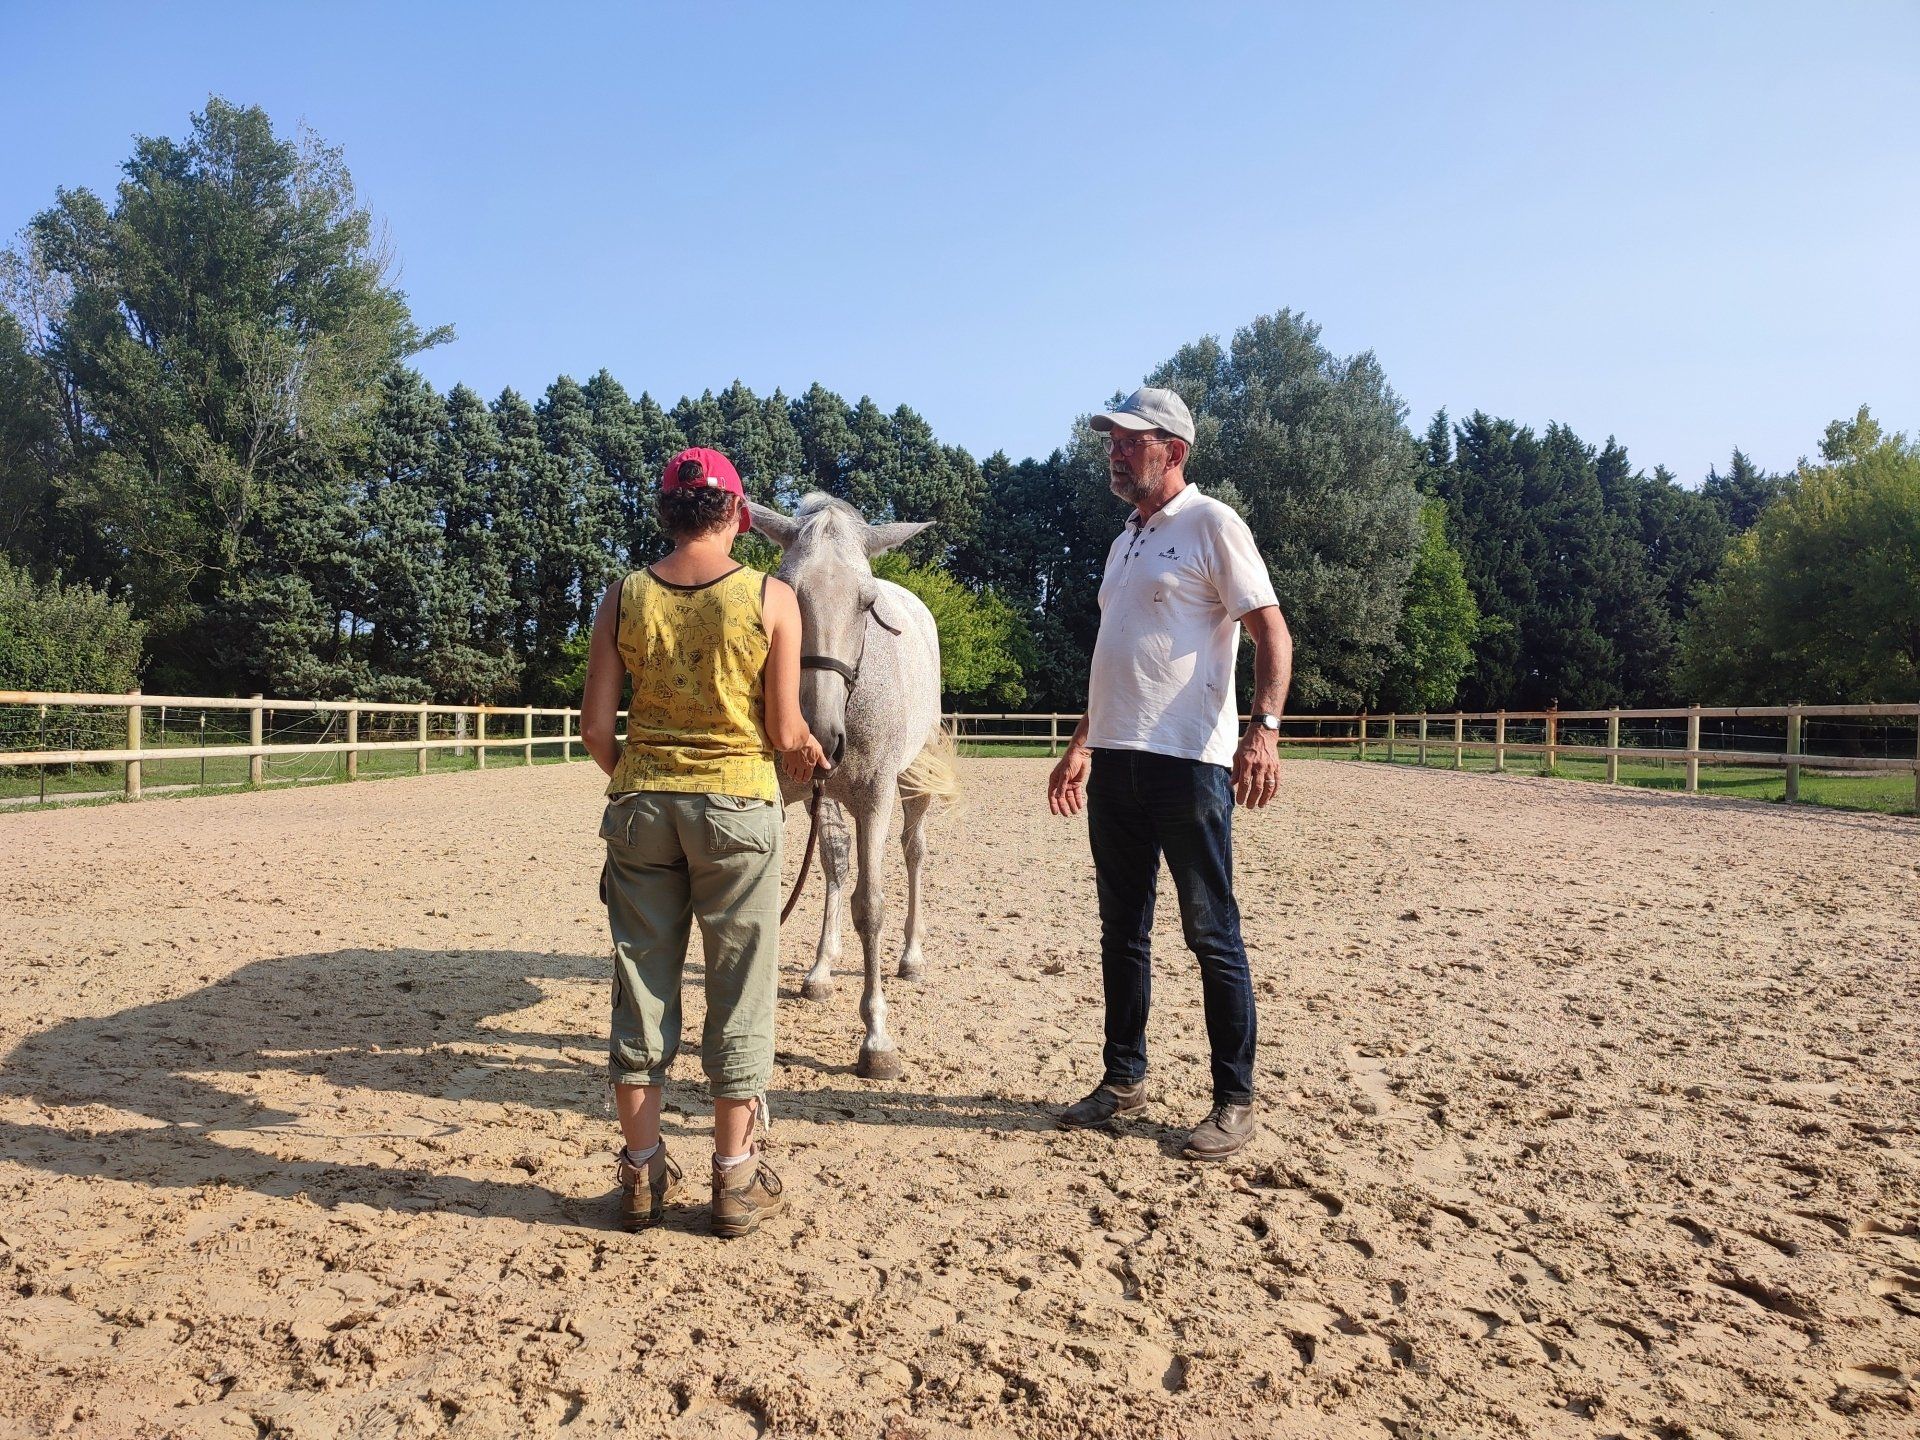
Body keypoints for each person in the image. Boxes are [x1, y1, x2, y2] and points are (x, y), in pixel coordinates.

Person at [580, 446, 828, 1236]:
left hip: (642, 805)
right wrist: (806, 749)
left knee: (641, 985)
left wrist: (644, 776)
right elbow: (784, 728)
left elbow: (595, 731)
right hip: (738, 807)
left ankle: (641, 1172)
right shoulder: (772, 597)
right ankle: (734, 1177)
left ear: (666, 512)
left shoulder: (623, 596)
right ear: (740, 516)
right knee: (740, 985)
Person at [1047, 386, 1292, 1161]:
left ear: (1173, 451)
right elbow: (1118, 656)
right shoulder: (1125, 540)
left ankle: (1234, 1101)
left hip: (1188, 764)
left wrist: (1264, 731)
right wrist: (1082, 742)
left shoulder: (1212, 523)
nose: (1115, 454)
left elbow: (1272, 634)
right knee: (1121, 932)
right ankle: (1123, 1079)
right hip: (1115, 762)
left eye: (1130, 442)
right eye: (1112, 442)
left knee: (1211, 932)